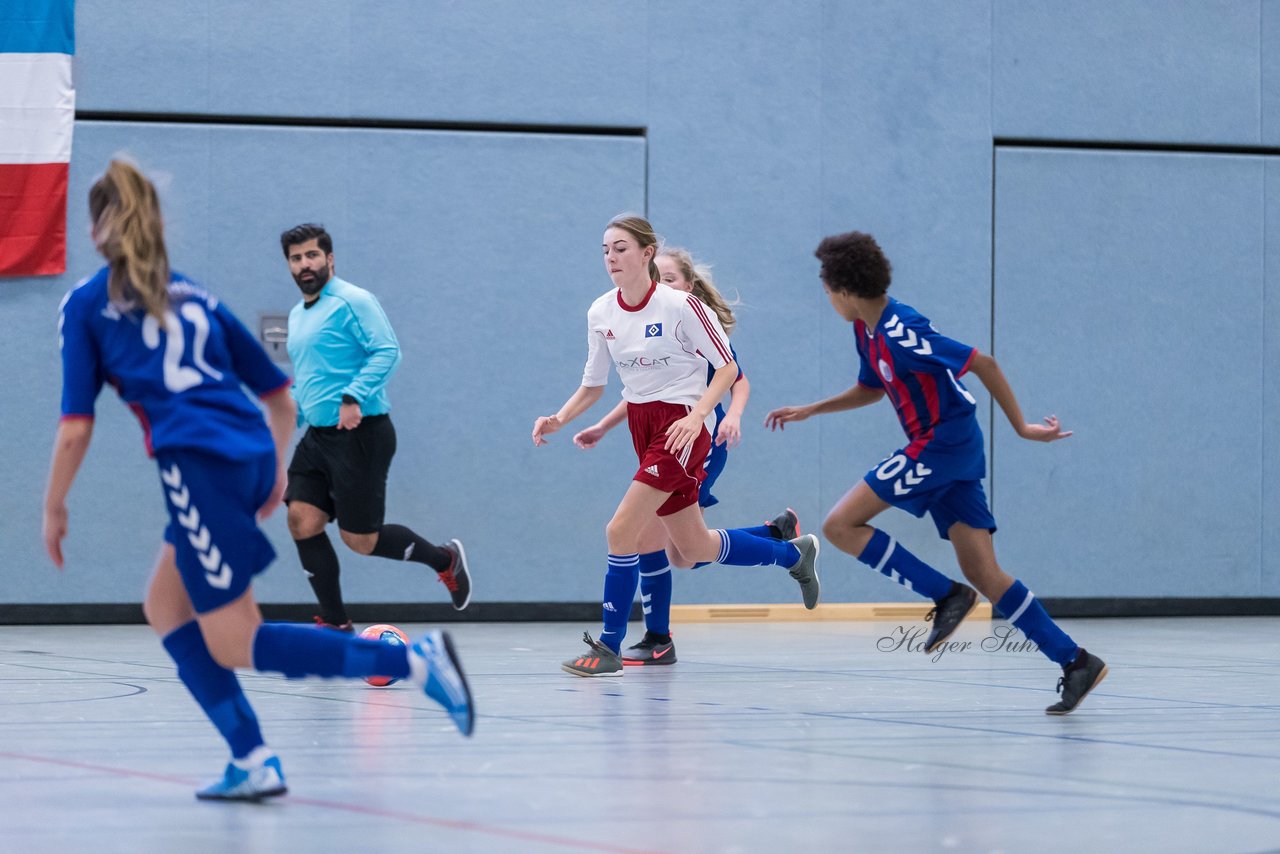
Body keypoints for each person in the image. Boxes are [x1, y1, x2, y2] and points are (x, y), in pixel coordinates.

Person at [43, 161, 474, 802]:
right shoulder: (194, 293)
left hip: (198, 468)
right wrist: (271, 472)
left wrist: (53, 506)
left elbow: (76, 427)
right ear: (157, 227)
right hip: (242, 455)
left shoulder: (85, 304)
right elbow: (276, 394)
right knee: (165, 607)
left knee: (236, 639)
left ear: (94, 230)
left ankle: (412, 661)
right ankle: (252, 758)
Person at [764, 230, 1107, 715]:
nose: (827, 300)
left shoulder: (902, 328)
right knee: (984, 571)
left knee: (840, 525)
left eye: (826, 291)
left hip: (941, 445)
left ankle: (945, 595)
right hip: (948, 449)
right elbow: (872, 387)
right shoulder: (866, 329)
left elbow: (981, 363)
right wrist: (812, 409)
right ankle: (1075, 662)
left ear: (843, 290)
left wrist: (1024, 429)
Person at [532, 215, 821, 677]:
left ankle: (608, 646)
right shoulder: (600, 312)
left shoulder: (682, 306)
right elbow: (593, 385)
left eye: (621, 247)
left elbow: (728, 370)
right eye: (605, 249)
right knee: (693, 547)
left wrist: (699, 414)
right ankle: (792, 553)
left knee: (621, 530)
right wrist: (559, 418)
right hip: (642, 426)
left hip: (682, 429)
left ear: (647, 253)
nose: (611, 257)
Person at [280, 224, 471, 630]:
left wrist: (353, 396)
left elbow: (388, 351)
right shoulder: (298, 315)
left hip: (361, 434)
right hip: (317, 437)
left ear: (329, 258)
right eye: (296, 258)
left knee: (360, 541)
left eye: (311, 255)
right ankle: (335, 623)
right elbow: (309, 378)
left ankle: (444, 559)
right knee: (301, 519)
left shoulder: (353, 300)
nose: (304, 264)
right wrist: (287, 420)